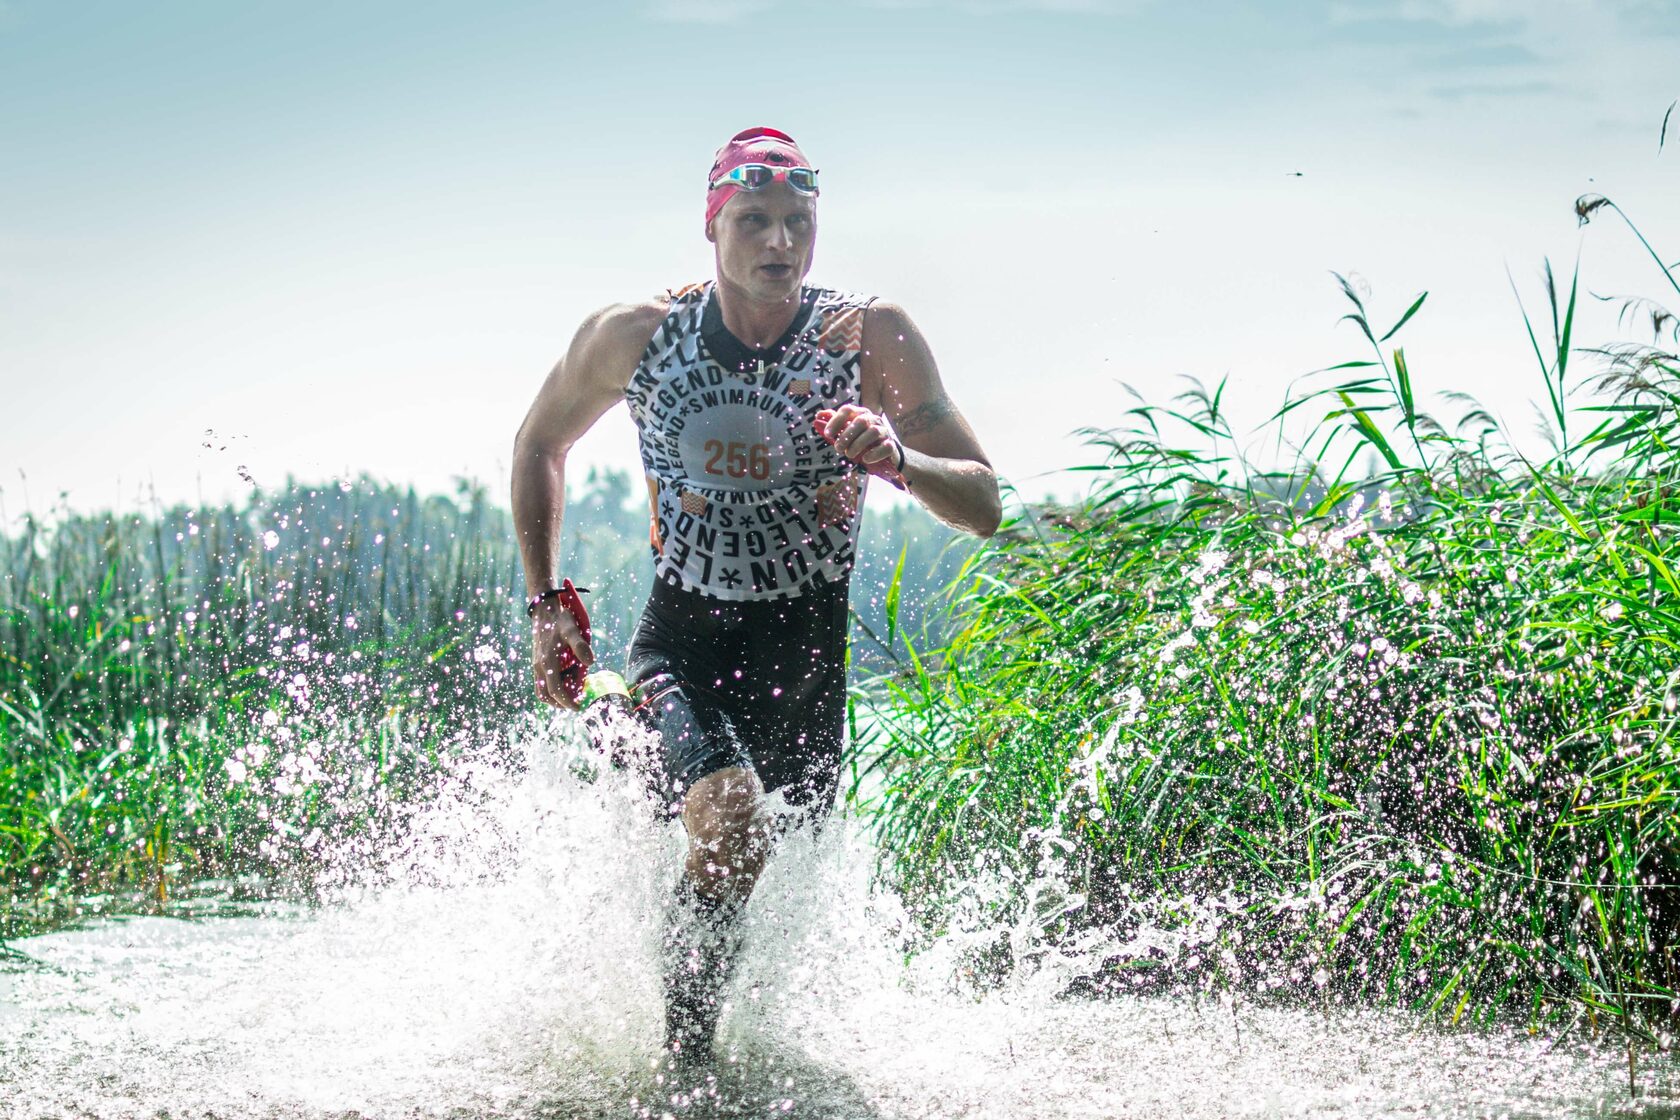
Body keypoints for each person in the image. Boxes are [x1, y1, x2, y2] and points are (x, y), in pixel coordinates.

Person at [511, 126, 1001, 1066]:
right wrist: (546, 605)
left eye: (796, 222)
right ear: (713, 226)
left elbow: (983, 502)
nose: (778, 243)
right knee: (733, 821)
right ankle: (689, 1070)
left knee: (753, 870)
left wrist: (898, 458)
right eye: (754, 221)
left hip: (807, 661)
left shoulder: (869, 339)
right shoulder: (639, 335)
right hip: (684, 639)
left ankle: (624, 740)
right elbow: (540, 442)